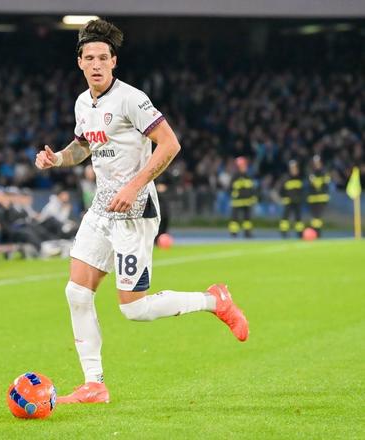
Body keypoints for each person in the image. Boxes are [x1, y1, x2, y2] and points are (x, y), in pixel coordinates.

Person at [34, 19, 249, 405]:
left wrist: (134, 185)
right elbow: (83, 146)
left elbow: (170, 144)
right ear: (79, 62)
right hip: (101, 208)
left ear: (114, 61)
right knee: (76, 292)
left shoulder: (131, 99)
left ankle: (214, 300)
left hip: (135, 210)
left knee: (134, 309)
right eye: (89, 58)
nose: (96, 64)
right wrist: (58, 159)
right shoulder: (83, 103)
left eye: (103, 57)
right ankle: (94, 384)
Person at [228, 156, 257, 238]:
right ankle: (233, 233)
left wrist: (253, 197)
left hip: (247, 201)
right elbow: (230, 188)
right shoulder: (235, 177)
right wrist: (234, 194)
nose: (245, 167)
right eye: (243, 166)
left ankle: (247, 233)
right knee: (234, 219)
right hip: (237, 202)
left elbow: (251, 188)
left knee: (247, 219)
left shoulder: (248, 176)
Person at [278, 160, 304, 238]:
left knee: (298, 218)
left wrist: (300, 197)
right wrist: (283, 198)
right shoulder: (285, 178)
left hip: (297, 201)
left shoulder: (300, 177)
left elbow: (301, 190)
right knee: (285, 217)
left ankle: (299, 233)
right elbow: (280, 189)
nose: (294, 170)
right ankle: (284, 232)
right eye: (292, 168)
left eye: (295, 168)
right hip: (288, 201)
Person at [307, 155, 330, 237]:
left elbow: (325, 185)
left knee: (318, 216)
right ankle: (315, 232)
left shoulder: (324, 172)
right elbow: (310, 186)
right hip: (313, 198)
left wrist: (316, 182)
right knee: (314, 217)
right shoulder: (311, 173)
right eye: (315, 163)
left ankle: (317, 232)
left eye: (318, 162)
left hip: (321, 198)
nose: (317, 164)